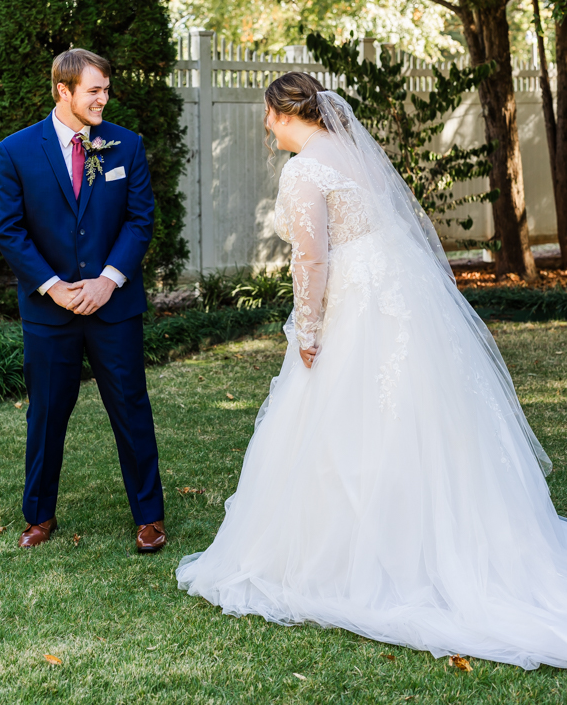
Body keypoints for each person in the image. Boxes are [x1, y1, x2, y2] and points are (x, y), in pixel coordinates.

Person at [177, 71, 567, 670]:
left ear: (283, 112)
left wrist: (307, 329)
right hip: (398, 292)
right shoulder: (350, 152)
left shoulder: (305, 167)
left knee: (344, 417)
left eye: (266, 115)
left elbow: (312, 257)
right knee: (418, 414)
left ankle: (351, 556)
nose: (263, 127)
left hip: (356, 304)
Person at [0, 48, 165, 553]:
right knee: (45, 413)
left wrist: (108, 280)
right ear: (63, 91)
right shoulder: (17, 150)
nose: (103, 100)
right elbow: (10, 230)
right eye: (94, 91)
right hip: (49, 310)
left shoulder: (125, 146)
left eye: (106, 90)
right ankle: (39, 515)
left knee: (132, 407)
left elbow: (140, 221)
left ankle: (149, 516)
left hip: (114, 307)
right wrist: (52, 286)